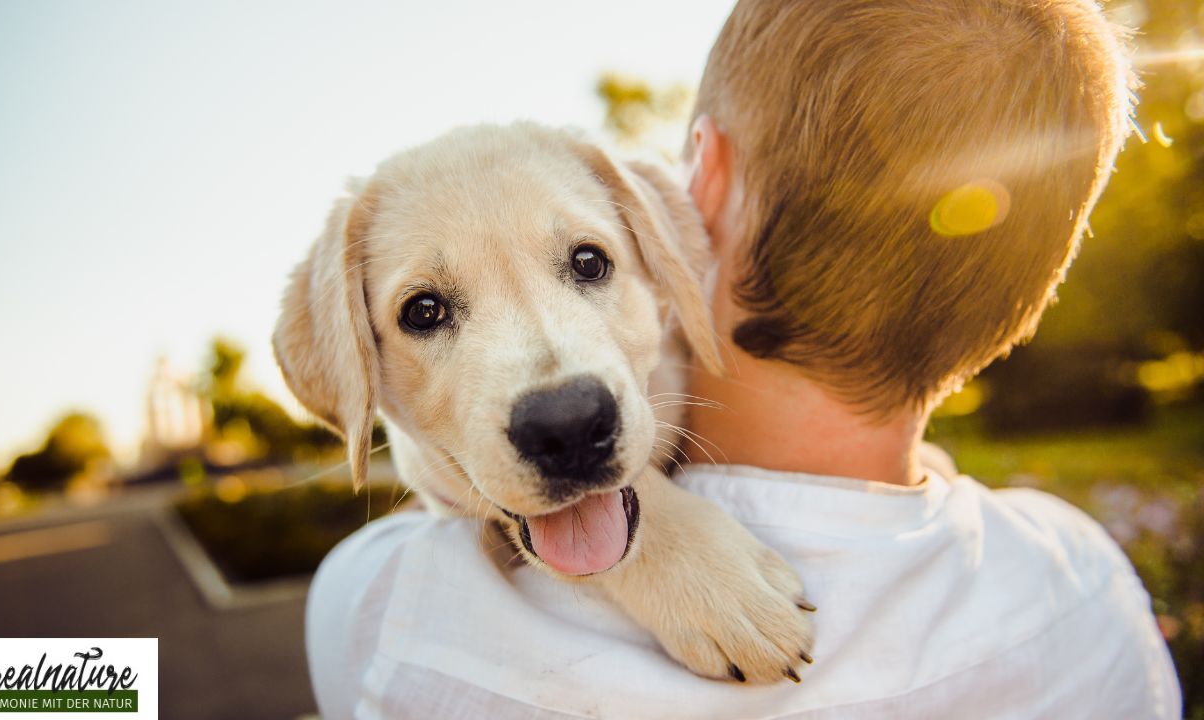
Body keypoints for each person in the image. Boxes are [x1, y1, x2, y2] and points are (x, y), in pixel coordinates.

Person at [306, 0, 1182, 717]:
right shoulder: (1088, 585)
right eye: (427, 312)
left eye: (586, 264)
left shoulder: (385, 614)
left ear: (701, 189)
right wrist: (652, 536)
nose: (557, 392)